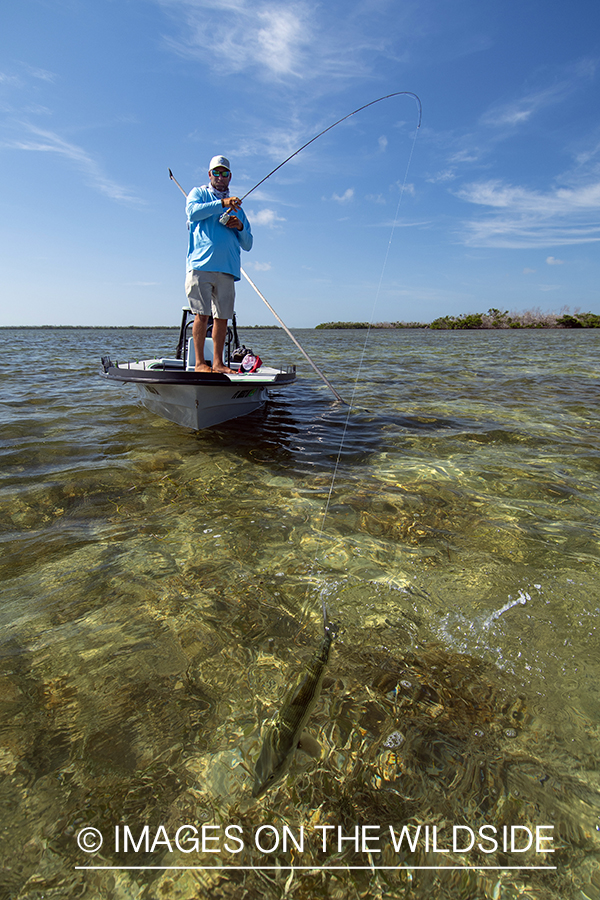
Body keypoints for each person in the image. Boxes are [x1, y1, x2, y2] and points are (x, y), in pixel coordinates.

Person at [185, 155, 253, 373]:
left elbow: (248, 243)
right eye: (216, 172)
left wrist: (239, 226)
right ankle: (199, 364)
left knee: (222, 318)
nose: (220, 177)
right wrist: (222, 204)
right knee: (201, 315)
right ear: (209, 174)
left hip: (227, 270)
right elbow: (193, 212)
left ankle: (218, 363)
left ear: (230, 176)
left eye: (224, 173)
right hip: (201, 265)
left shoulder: (238, 208)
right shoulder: (199, 193)